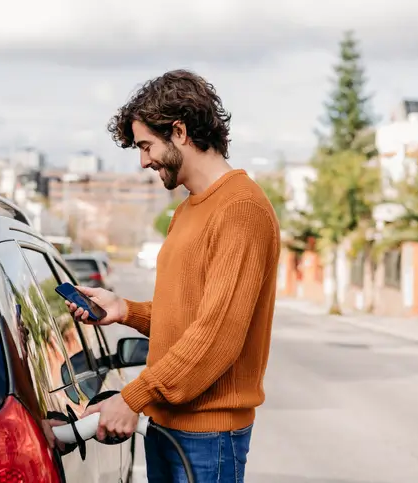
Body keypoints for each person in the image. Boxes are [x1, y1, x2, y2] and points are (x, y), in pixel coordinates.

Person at [65, 69, 281, 482]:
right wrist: (124, 309)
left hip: (208, 437)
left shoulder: (241, 210)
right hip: (166, 425)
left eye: (146, 145)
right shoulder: (186, 210)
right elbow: (189, 316)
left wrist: (134, 398)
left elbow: (215, 337)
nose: (143, 160)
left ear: (179, 131)